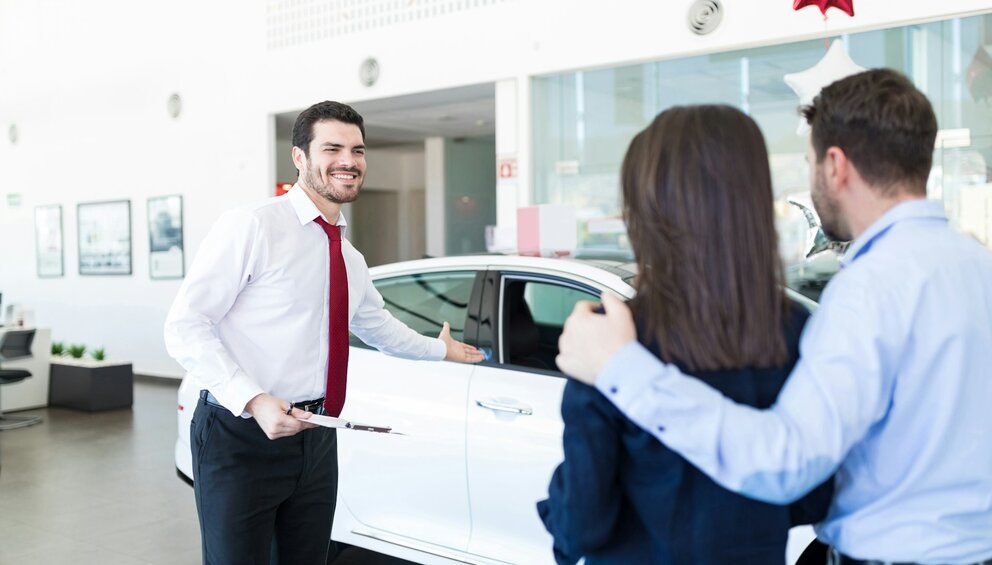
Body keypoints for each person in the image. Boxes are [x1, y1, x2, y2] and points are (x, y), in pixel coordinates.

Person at [556, 69, 992, 564]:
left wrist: (619, 368)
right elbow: (808, 494)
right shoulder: (980, 269)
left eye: (808, 163)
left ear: (835, 165)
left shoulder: (867, 290)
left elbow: (787, 463)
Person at [164, 100, 484, 565]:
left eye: (357, 150)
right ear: (299, 157)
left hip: (317, 434)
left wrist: (440, 350)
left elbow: (380, 328)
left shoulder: (349, 258)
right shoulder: (253, 226)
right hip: (240, 434)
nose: (348, 161)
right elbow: (185, 326)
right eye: (332, 148)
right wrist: (253, 400)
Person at [536, 105, 832, 564]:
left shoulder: (610, 333)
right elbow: (813, 498)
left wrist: (560, 496)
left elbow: (582, 527)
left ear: (647, 211)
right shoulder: (795, 329)